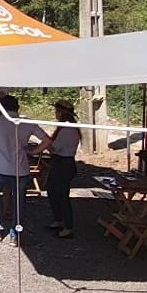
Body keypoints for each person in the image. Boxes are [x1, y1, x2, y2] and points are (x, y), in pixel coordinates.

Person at [0, 94, 48, 243]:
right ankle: (15, 235)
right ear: (18, 108)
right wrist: (33, 151)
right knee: (19, 200)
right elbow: (47, 140)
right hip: (21, 168)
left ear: (1, 108)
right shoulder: (27, 122)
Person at [43, 99, 82, 238]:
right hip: (62, 162)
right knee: (53, 191)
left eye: (57, 111)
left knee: (62, 195)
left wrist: (45, 144)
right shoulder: (68, 128)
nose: (56, 113)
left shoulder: (67, 129)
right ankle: (58, 220)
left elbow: (55, 148)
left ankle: (68, 226)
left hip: (63, 163)